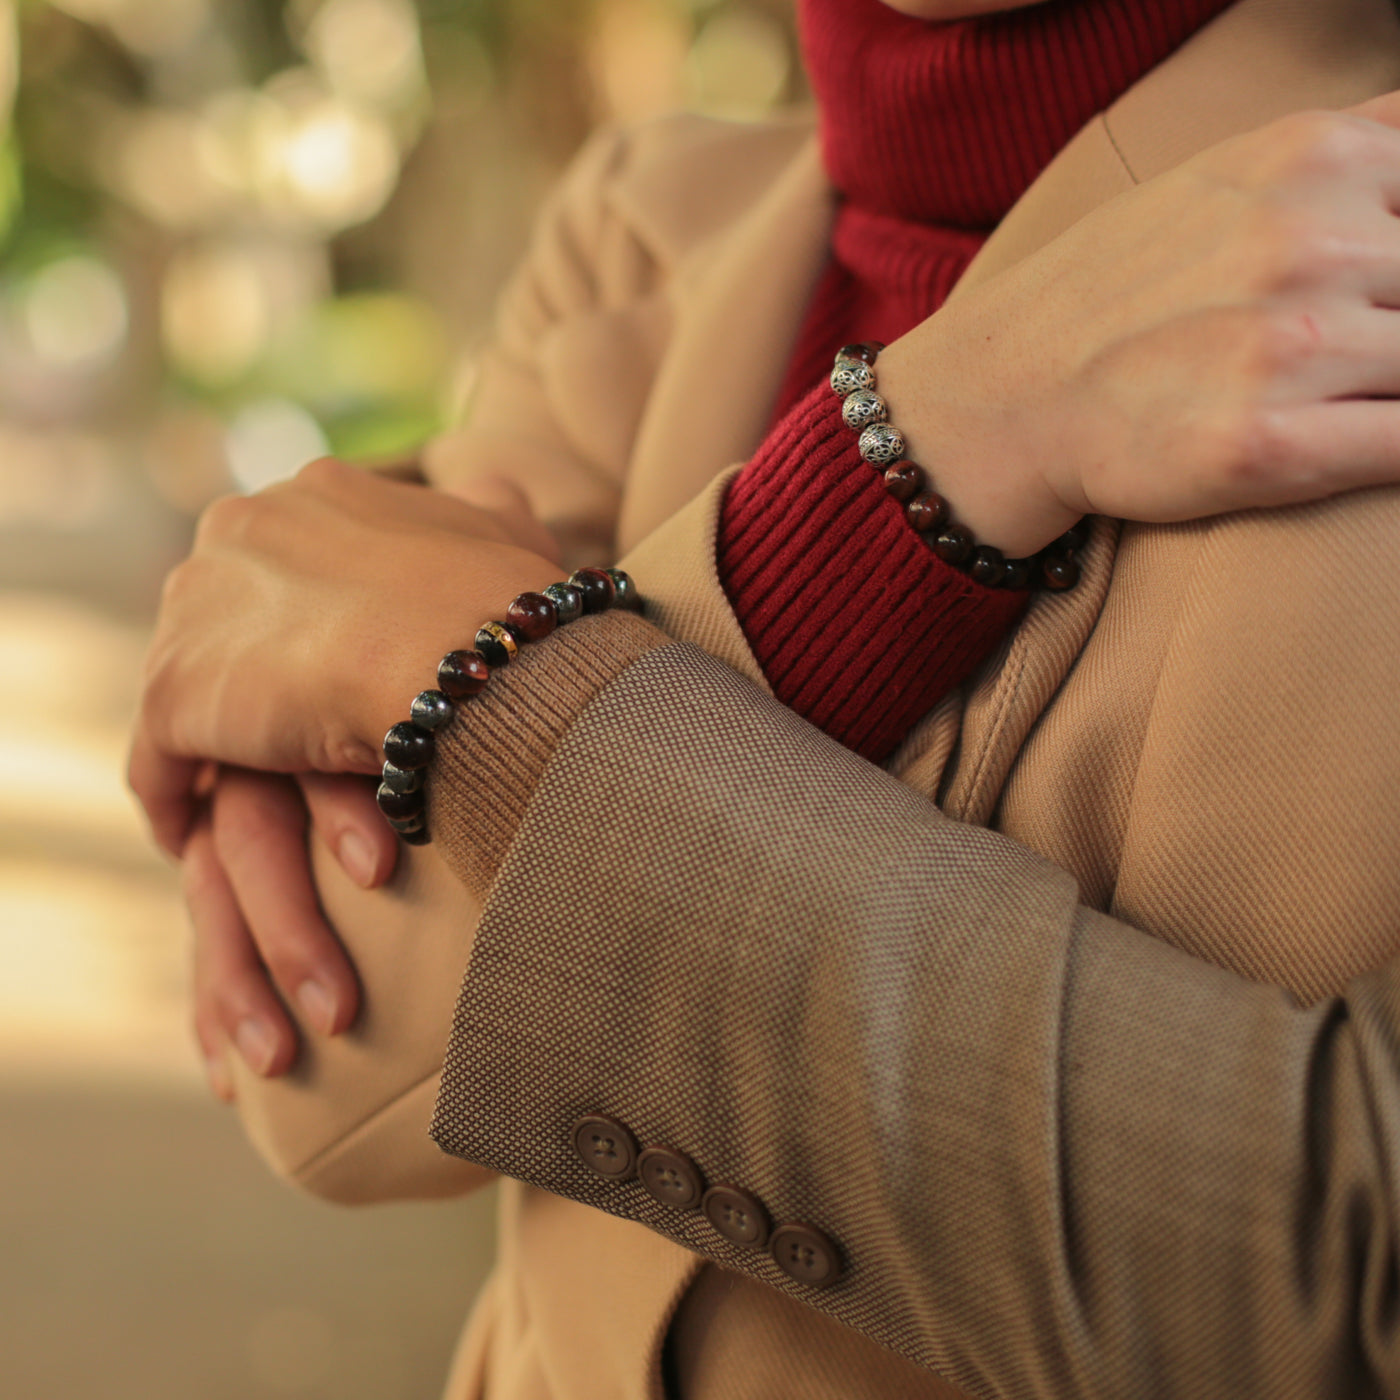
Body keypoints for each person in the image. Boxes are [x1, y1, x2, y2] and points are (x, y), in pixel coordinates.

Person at [130, 0, 1400, 1394]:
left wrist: (502, 690)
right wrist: (929, 444)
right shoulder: (643, 221)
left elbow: (1350, 1277)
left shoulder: (1364, 239)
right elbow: (319, 1063)